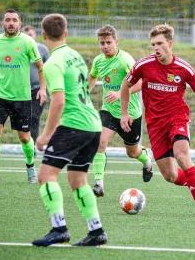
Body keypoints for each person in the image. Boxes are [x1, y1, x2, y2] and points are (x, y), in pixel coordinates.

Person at [120, 24, 195, 218]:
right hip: (155, 124)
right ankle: (194, 180)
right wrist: (124, 113)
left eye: (160, 43)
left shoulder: (184, 69)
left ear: (170, 43)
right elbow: (126, 84)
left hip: (177, 118)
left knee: (182, 155)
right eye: (153, 44)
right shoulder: (143, 65)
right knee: (170, 176)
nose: (155, 48)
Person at [32, 13, 107, 247]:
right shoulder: (75, 56)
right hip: (93, 125)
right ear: (66, 33)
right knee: (77, 179)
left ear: (43, 36)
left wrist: (45, 135)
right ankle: (96, 232)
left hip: (74, 124)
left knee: (45, 175)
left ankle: (59, 228)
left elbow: (59, 101)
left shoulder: (52, 63)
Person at [0, 10, 47, 184]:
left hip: (22, 97)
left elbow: (41, 67)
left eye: (14, 20)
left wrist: (43, 88)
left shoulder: (27, 42)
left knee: (25, 137)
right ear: (2, 23)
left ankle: (30, 167)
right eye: (7, 20)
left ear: (20, 23)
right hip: (0, 95)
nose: (11, 23)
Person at [87, 25, 152, 197]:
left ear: (116, 42)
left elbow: (141, 82)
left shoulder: (125, 60)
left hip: (130, 113)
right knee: (99, 142)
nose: (105, 46)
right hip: (108, 111)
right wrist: (85, 92)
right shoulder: (98, 61)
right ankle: (99, 184)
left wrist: (120, 92)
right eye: (102, 43)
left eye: (109, 42)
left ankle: (146, 159)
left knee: (132, 152)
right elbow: (92, 76)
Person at [23, 25, 50, 143]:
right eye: (26, 36)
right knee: (24, 119)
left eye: (31, 35)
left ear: (35, 36)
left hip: (38, 90)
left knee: (34, 117)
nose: (29, 38)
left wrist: (46, 88)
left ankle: (32, 145)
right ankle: (26, 143)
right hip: (22, 90)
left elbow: (49, 68)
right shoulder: (19, 50)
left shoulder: (42, 49)